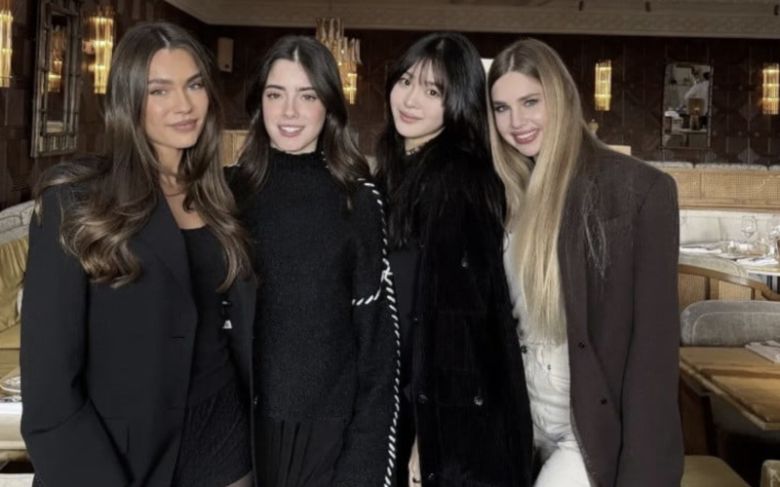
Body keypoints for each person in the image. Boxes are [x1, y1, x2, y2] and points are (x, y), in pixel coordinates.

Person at [20, 22, 255, 487]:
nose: (184, 105)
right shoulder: (76, 201)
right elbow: (50, 392)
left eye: (194, 85)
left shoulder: (222, 197)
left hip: (224, 442)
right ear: (128, 100)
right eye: (159, 90)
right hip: (123, 456)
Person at [487, 37, 683, 486]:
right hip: (517, 423)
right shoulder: (502, 191)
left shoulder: (637, 191)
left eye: (530, 102)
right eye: (501, 108)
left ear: (559, 96)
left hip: (588, 433)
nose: (516, 122)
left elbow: (653, 351)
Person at [228, 35, 397, 486]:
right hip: (236, 432)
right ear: (259, 103)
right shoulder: (227, 194)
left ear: (329, 106)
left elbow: (378, 352)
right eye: (275, 95)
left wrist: (362, 467)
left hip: (326, 437)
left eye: (307, 96)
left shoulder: (358, 201)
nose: (289, 112)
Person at [375, 32, 533, 486]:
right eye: (406, 81)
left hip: (443, 409)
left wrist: (431, 437)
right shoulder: (396, 169)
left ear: (459, 101)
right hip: (398, 392)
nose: (410, 100)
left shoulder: (460, 177)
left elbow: (464, 317)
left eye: (433, 91)